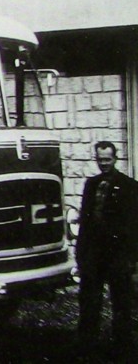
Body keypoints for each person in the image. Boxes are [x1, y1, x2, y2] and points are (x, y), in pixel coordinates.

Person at [77, 141, 138, 355]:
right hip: (94, 254)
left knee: (121, 301)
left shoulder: (129, 186)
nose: (103, 163)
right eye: (100, 159)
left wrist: (131, 258)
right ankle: (87, 345)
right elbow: (84, 221)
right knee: (89, 301)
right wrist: (81, 254)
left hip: (117, 255)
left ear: (115, 158)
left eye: (107, 159)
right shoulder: (91, 184)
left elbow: (134, 225)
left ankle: (122, 346)